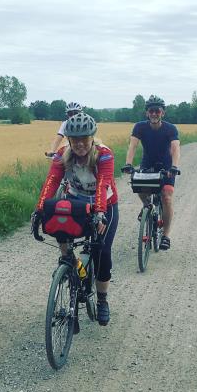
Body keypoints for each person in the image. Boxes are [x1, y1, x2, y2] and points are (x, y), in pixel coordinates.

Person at [34, 112, 119, 327]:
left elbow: (103, 185)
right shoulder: (63, 155)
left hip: (105, 204)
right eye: (75, 140)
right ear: (69, 140)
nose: (80, 144)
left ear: (92, 137)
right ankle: (72, 268)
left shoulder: (104, 155)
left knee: (102, 251)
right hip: (76, 201)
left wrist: (100, 212)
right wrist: (40, 210)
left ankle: (102, 300)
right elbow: (52, 181)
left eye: (84, 138)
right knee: (62, 232)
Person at [121, 95, 180, 250]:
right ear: (147, 113)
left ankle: (166, 235)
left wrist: (174, 167)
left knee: (166, 196)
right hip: (147, 163)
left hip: (166, 166)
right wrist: (128, 163)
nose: (154, 114)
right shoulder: (140, 127)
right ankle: (147, 206)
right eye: (151, 111)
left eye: (157, 111)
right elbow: (132, 146)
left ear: (163, 113)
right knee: (139, 185)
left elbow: (175, 148)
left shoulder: (170, 128)